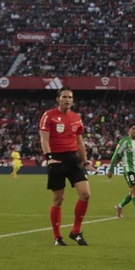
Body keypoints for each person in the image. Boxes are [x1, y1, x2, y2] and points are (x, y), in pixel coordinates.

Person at [39, 87, 91, 246]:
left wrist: (85, 159)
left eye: (70, 97)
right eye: (64, 97)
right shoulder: (48, 116)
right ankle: (57, 237)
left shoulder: (76, 117)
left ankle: (75, 231)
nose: (67, 100)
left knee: (85, 194)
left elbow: (80, 142)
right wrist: (48, 158)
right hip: (56, 159)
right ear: (58, 99)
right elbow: (44, 140)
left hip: (73, 158)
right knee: (58, 200)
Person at [110, 124, 135, 220]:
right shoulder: (124, 142)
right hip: (128, 169)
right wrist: (111, 169)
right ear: (129, 130)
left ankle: (119, 206)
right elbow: (115, 155)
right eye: (133, 129)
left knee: (132, 192)